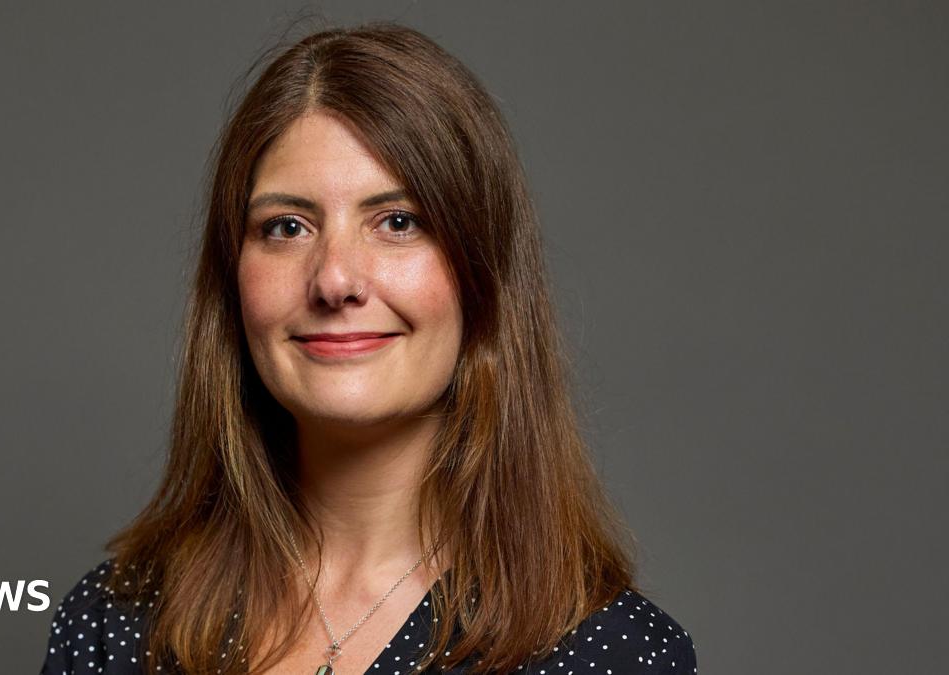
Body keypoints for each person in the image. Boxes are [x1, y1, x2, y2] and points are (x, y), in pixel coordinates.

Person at [39, 20, 697, 675]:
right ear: (231, 279)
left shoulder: (613, 655)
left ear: (482, 277)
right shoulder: (113, 626)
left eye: (398, 222)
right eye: (287, 226)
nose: (334, 279)